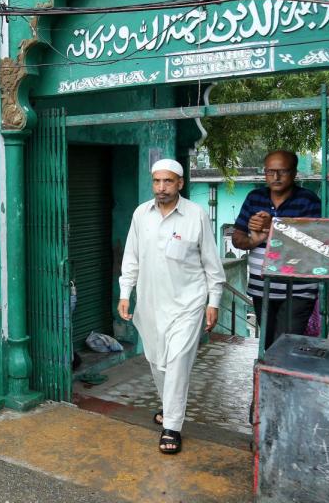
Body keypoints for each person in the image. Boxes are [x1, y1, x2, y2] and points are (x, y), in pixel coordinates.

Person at [117, 158, 225, 454]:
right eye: (156, 181)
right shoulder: (141, 214)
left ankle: (172, 427)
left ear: (180, 183)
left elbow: (211, 264)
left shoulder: (196, 215)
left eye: (167, 181)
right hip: (151, 305)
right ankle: (169, 406)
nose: (161, 188)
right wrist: (125, 292)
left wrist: (213, 301)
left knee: (177, 363)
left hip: (188, 305)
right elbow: (131, 258)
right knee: (156, 361)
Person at [231, 150, 322, 350]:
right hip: (261, 287)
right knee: (269, 345)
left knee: (287, 345)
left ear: (294, 173)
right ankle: (272, 381)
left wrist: (275, 225)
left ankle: (285, 380)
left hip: (298, 289)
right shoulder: (254, 198)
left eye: (282, 171)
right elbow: (237, 237)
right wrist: (252, 241)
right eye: (270, 171)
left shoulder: (308, 200)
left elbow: (313, 243)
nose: (276, 177)